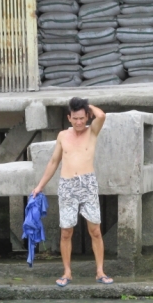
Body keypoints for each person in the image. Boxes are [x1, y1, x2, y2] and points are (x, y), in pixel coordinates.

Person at [32, 97, 113, 287]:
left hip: (87, 184)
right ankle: (67, 272)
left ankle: (100, 271)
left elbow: (101, 115)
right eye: (75, 118)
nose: (79, 122)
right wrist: (40, 186)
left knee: (95, 231)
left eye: (82, 118)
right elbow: (54, 162)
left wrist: (88, 105)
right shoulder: (62, 136)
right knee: (66, 232)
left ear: (87, 117)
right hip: (67, 185)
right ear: (69, 118)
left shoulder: (92, 132)